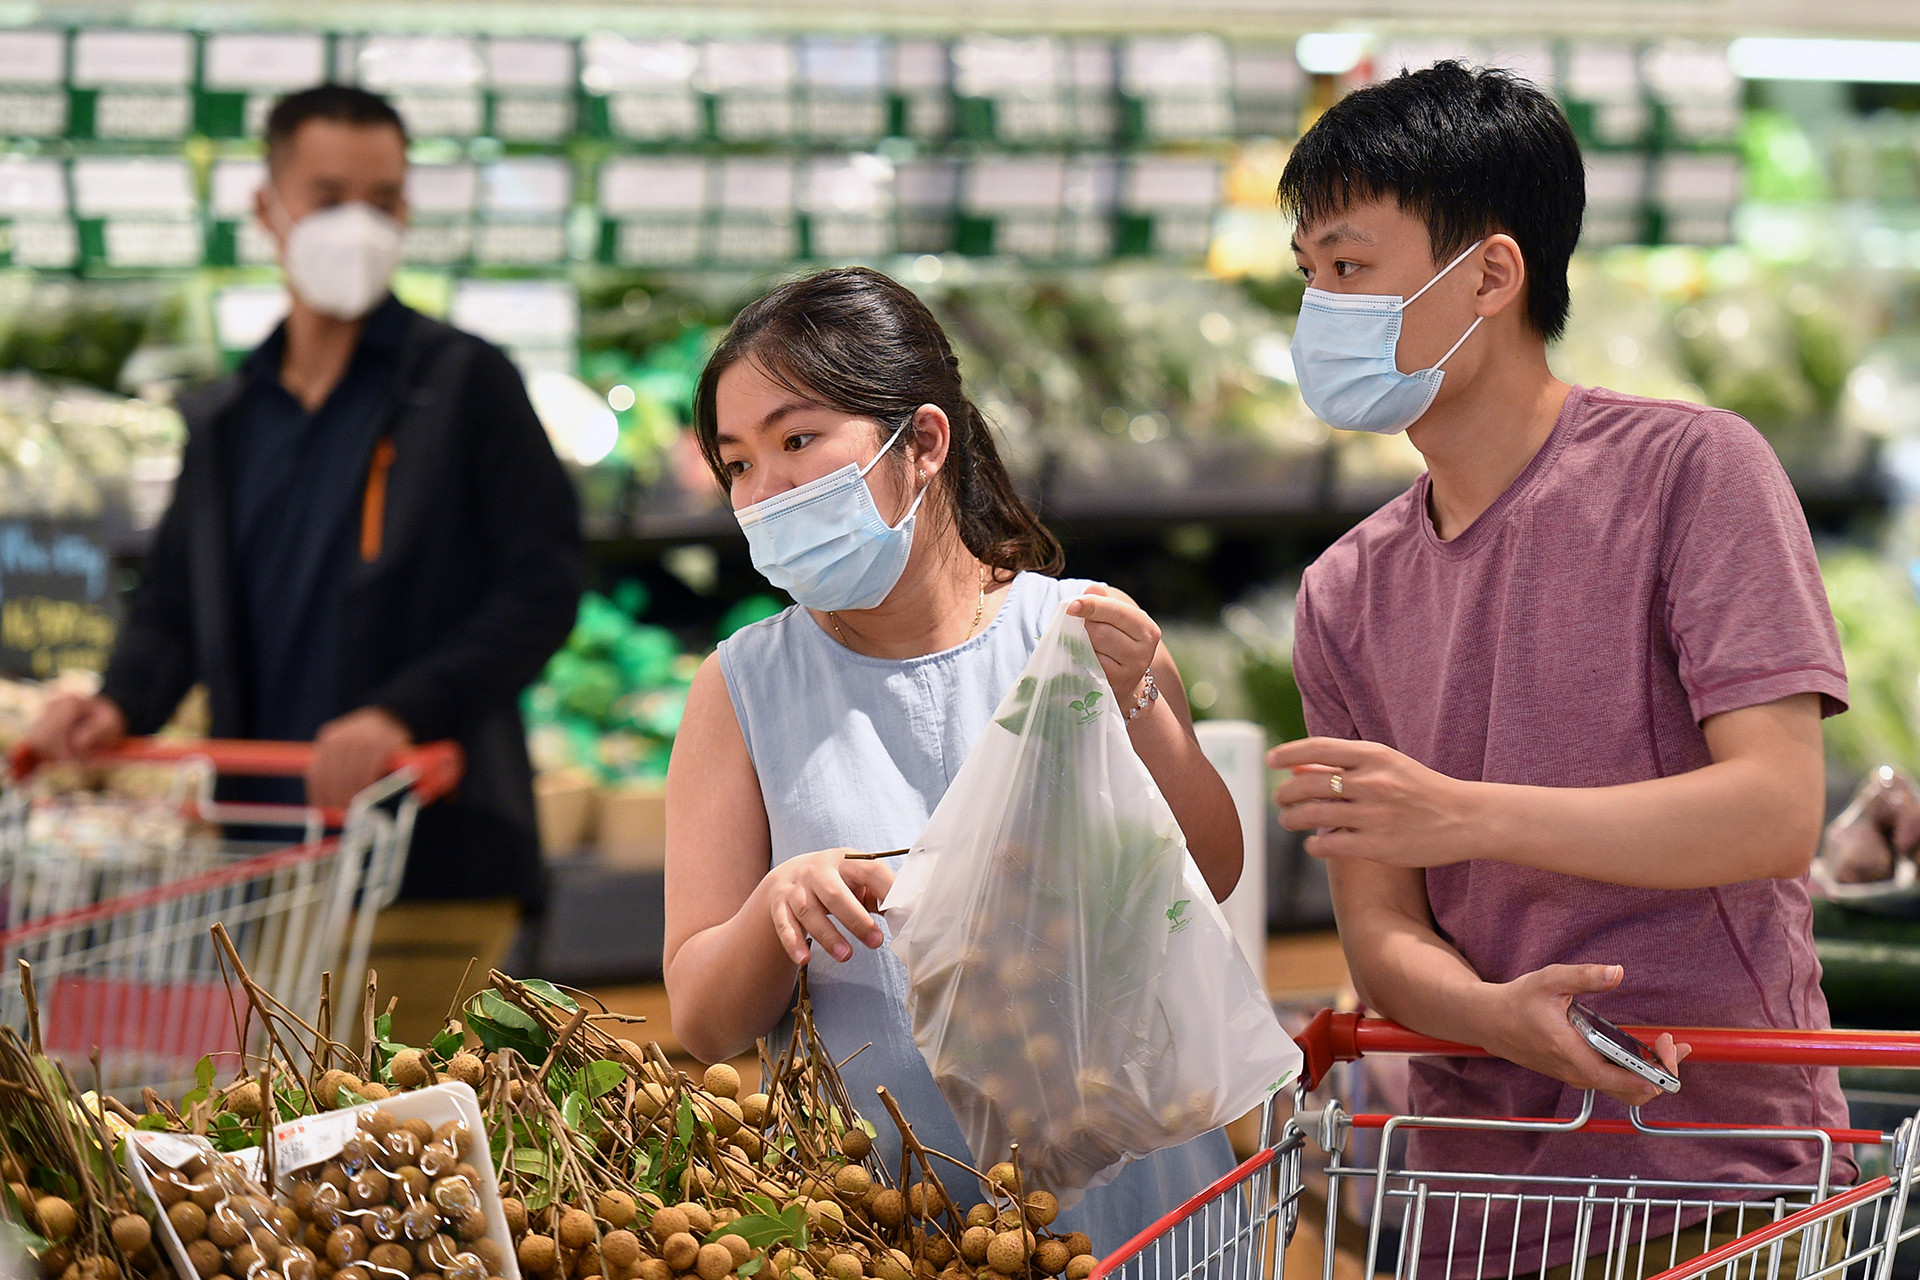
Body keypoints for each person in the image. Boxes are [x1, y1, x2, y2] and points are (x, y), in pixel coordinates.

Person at [1266, 62, 1850, 1278]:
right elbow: (1385, 934)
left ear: (1488, 273)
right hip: (1469, 1199)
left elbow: (1775, 811)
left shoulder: (1694, 473)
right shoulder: (1343, 592)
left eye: (1353, 266)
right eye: (1310, 272)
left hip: (1712, 1181)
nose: (1323, 307)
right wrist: (1494, 1019)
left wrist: (1461, 813)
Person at [663, 266, 1244, 1249]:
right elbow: (704, 1018)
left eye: (797, 441)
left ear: (923, 441)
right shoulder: (742, 690)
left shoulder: (1081, 634)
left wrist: (1145, 704)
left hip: (1139, 1207)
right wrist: (778, 904)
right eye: (738, 464)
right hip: (889, 1224)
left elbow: (1212, 870)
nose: (765, 493)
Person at [25, 84, 583, 1044]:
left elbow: (542, 586)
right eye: (329, 197)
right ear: (267, 210)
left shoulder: (463, 385)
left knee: (416, 1143)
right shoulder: (229, 415)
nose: (357, 225)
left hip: (431, 860)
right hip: (268, 863)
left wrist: (400, 711)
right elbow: (171, 607)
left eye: (385, 199)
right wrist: (115, 705)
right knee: (287, 1140)